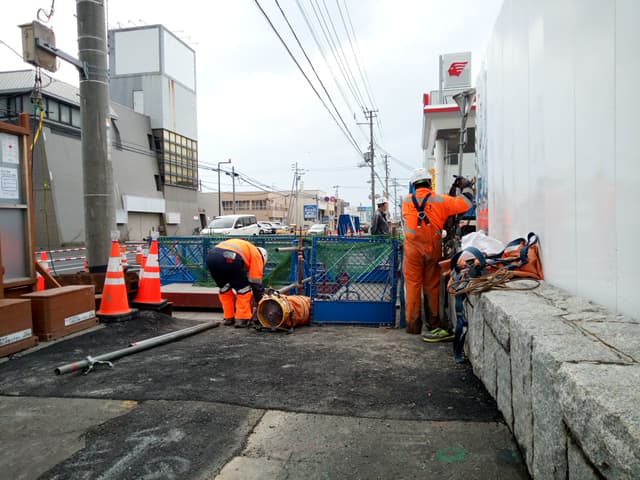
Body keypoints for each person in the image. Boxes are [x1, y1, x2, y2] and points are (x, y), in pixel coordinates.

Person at [401, 168, 473, 340]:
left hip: (412, 249)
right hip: (432, 247)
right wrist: (466, 187)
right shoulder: (441, 200)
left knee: (412, 285)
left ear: (414, 185)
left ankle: (413, 326)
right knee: (432, 286)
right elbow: (466, 204)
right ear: (429, 182)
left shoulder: (406, 201)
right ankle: (433, 324)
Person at [205, 238, 268, 328]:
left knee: (225, 288)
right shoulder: (257, 255)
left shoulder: (246, 247)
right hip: (230, 257)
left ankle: (228, 318)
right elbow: (255, 282)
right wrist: (261, 299)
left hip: (211, 257)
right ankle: (243, 319)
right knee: (244, 289)